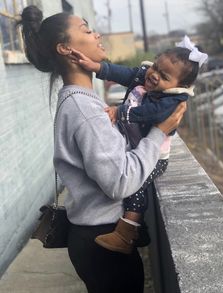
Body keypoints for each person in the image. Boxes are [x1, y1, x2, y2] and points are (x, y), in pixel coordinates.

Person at [19, 5, 186, 293]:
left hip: (96, 238)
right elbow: (120, 182)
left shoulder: (82, 101)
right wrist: (158, 133)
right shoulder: (83, 109)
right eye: (86, 29)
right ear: (66, 49)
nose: (97, 34)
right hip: (102, 241)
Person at [70, 36, 208, 254]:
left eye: (163, 76)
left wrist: (121, 111)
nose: (153, 75)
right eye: (155, 66)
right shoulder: (145, 76)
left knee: (136, 186)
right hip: (136, 147)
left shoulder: (172, 100)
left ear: (180, 85)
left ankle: (127, 233)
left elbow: (151, 113)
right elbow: (123, 73)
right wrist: (95, 66)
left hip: (155, 157)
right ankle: (140, 231)